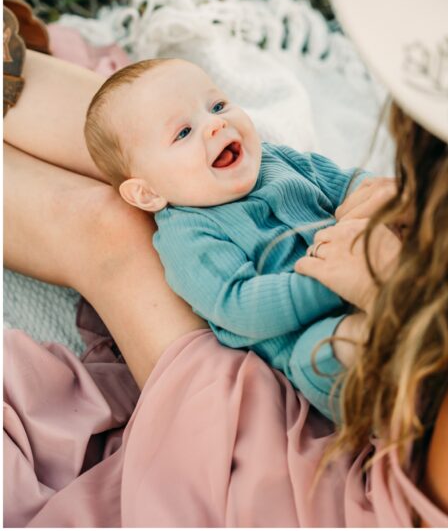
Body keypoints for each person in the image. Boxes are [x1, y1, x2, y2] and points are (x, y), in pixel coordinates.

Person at [3, 0, 448, 527]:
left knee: (113, 226)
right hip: (330, 294)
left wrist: (373, 287)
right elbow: (321, 181)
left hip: (338, 479)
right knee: (143, 125)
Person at [83, 57, 373, 421]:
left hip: (367, 264)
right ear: (146, 193)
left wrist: (377, 196)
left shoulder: (277, 160)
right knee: (320, 355)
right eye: (184, 133)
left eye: (217, 106)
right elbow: (238, 304)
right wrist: (334, 280)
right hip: (315, 333)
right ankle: (399, 364)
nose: (215, 124)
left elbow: (347, 184)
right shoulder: (188, 236)